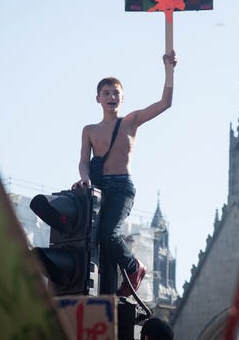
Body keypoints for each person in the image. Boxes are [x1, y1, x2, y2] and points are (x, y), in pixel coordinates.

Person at [73, 50, 177, 296]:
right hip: (98, 188)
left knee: (110, 233)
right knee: (95, 240)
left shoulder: (131, 121)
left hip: (121, 187)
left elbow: (165, 103)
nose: (111, 96)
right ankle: (101, 290)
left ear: (122, 97)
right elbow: (83, 162)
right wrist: (85, 178)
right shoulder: (89, 130)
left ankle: (134, 267)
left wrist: (169, 70)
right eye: (106, 93)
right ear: (97, 98)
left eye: (115, 93)